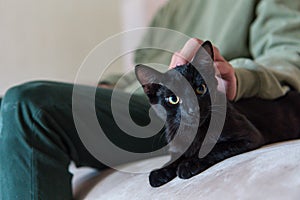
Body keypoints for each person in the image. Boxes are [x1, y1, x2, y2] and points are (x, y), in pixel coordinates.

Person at [1, 0, 299, 199]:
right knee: (6, 105)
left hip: (184, 106)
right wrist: (102, 86)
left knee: (28, 105)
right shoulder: (171, 9)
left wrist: (235, 77)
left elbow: (289, 58)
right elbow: (139, 72)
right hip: (143, 97)